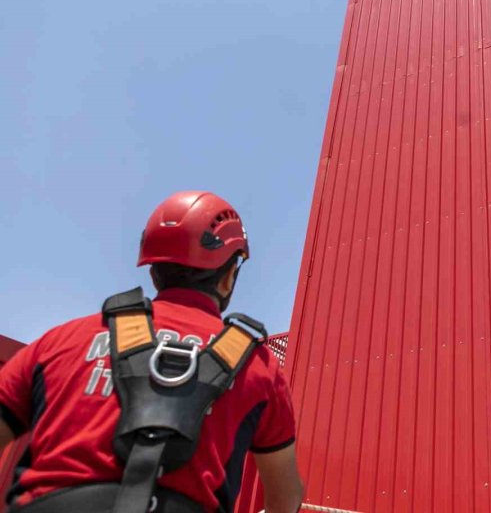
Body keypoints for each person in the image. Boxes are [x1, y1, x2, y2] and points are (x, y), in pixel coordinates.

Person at [0, 191, 304, 513]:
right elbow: (286, 498)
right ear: (229, 276)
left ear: (152, 268)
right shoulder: (259, 368)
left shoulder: (58, 343)